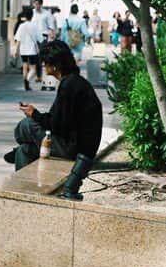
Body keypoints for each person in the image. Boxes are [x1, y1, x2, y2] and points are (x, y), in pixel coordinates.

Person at [6, 41, 104, 200]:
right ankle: (22, 190)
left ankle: (21, 144)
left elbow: (57, 125)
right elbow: (59, 120)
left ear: (56, 65)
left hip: (74, 148)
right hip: (76, 143)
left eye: (46, 62)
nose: (43, 65)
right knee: (24, 150)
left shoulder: (69, 85)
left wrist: (34, 114)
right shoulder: (74, 81)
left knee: (27, 125)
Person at [15, 7, 40, 91]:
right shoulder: (35, 26)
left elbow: (18, 39)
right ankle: (27, 80)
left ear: (25, 16)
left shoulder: (21, 26)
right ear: (32, 16)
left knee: (25, 66)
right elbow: (39, 38)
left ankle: (25, 82)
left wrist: (16, 50)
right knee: (33, 68)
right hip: (32, 49)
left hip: (23, 49)